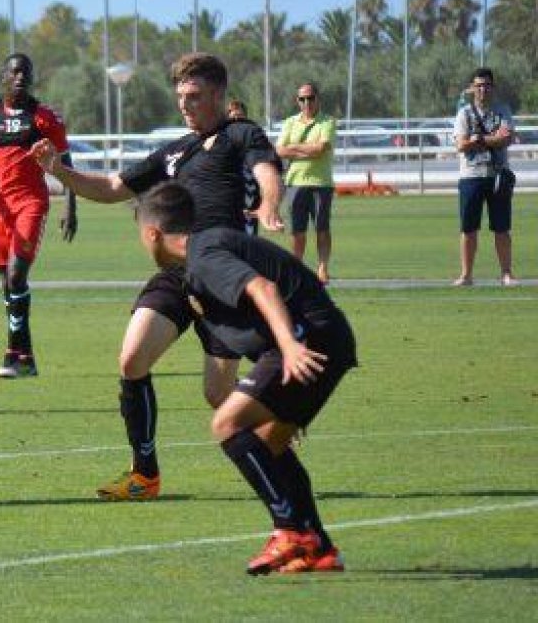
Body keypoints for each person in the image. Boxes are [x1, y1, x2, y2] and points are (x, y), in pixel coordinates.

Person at [31, 52, 283, 502]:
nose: (185, 105)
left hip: (224, 278)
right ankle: (144, 474)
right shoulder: (174, 151)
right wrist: (58, 171)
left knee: (218, 395)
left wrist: (269, 205)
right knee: (131, 360)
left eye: (195, 96)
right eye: (181, 96)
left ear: (220, 95)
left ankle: (275, 423)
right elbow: (110, 189)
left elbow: (267, 171)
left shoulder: (241, 134)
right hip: (177, 273)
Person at [135, 182, 352, 574]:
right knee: (267, 442)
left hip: (308, 338)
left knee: (227, 422)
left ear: (152, 233)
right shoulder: (202, 256)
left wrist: (289, 347)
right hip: (323, 337)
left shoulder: (204, 256)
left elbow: (262, 288)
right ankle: (318, 548)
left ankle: (289, 531)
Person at [0, 53, 77, 379]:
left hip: (30, 204)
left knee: (15, 276)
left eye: (26, 72)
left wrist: (70, 205)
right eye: (14, 72)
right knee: (8, 284)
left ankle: (16, 353)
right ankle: (23, 356)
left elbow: (66, 164)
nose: (20, 77)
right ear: (4, 76)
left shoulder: (44, 118)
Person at [452, 67, 517, 287]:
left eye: (487, 85)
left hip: (497, 175)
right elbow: (461, 145)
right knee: (468, 229)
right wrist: (490, 138)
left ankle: (507, 273)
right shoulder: (464, 114)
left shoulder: (503, 111)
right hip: (470, 176)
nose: (483, 89)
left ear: (493, 87)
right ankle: (466, 275)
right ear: (472, 89)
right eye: (478, 85)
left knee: (501, 227)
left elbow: (507, 139)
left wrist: (477, 138)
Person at [275, 83, 336, 284]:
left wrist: (294, 148)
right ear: (297, 101)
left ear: (318, 98)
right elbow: (280, 150)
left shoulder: (327, 121)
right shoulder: (290, 122)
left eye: (310, 98)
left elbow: (320, 149)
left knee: (322, 227)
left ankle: (322, 268)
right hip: (294, 183)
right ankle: (297, 267)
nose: (306, 102)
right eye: (302, 99)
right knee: (297, 230)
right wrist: (306, 149)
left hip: (321, 183)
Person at [226, 99, 261, 236]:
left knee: (249, 240)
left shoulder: (255, 138)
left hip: (249, 199)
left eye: (240, 118)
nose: (237, 122)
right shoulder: (220, 139)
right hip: (228, 202)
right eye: (233, 118)